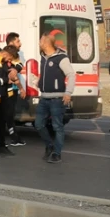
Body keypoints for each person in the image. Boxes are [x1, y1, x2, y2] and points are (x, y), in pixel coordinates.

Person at [29, 33, 74, 163]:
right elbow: (45, 75)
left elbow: (71, 75)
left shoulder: (61, 58)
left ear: (46, 43)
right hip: (44, 98)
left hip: (57, 99)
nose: (39, 43)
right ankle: (49, 146)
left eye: (40, 41)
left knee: (57, 127)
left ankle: (56, 153)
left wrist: (68, 92)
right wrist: (38, 82)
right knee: (38, 124)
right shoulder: (43, 57)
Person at [4, 32, 27, 147]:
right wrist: (21, 89)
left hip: (12, 90)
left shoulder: (14, 56)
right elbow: (13, 76)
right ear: (11, 43)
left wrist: (16, 70)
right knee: (6, 115)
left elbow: (19, 65)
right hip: (5, 91)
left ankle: (14, 138)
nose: (20, 44)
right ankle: (4, 140)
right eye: (18, 41)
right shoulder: (6, 57)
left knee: (9, 115)